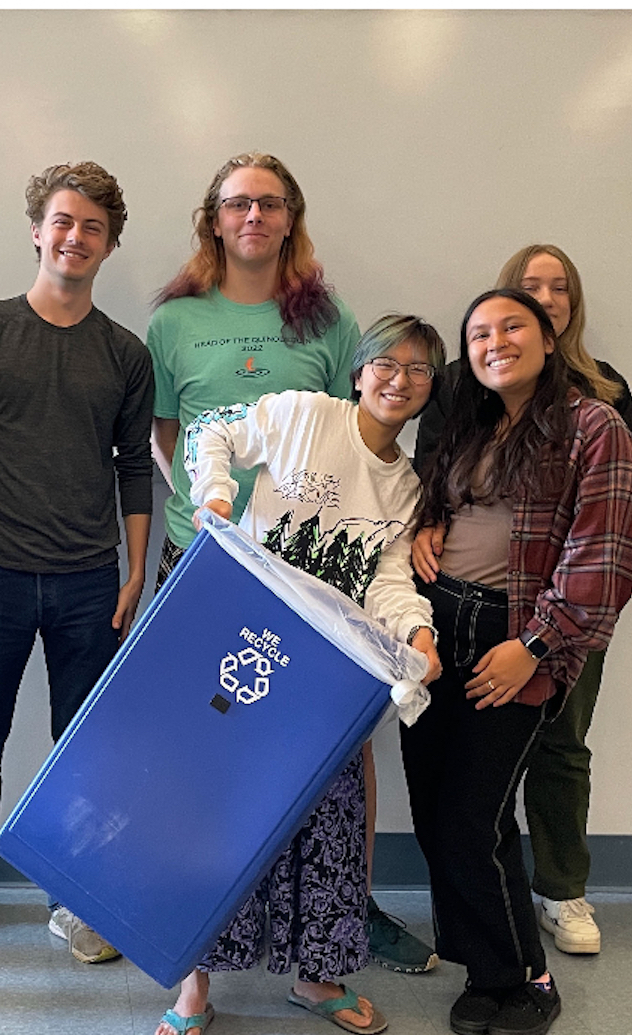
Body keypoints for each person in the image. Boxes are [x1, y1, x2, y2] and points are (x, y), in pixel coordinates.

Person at [144, 153, 430, 975]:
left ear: (291, 217)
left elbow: (365, 431)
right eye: (237, 204)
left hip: (314, 581)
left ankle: (334, 929)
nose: (254, 218)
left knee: (327, 756)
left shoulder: (327, 321)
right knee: (208, 745)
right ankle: (191, 939)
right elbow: (175, 430)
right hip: (206, 557)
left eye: (270, 204)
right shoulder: (174, 321)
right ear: (214, 219)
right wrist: (209, 504)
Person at [149, 314, 447, 1035]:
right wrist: (214, 493)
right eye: (387, 362)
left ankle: (317, 976)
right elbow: (211, 433)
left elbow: (389, 577)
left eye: (418, 370)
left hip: (329, 670)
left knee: (330, 822)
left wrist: (418, 634)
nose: (398, 378)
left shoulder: (407, 485)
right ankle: (194, 983)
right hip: (247, 638)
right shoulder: (302, 414)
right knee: (221, 810)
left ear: (431, 389)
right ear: (359, 370)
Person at [0, 162, 154, 965]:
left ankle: (74, 895)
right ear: (36, 229)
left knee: (82, 747)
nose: (74, 237)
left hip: (91, 580)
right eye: (62, 221)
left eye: (92, 226)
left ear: (109, 243)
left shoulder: (124, 353)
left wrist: (134, 570)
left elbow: (132, 467)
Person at [406, 288, 632, 1035]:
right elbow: (432, 508)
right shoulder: (470, 424)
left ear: (550, 339)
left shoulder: (593, 425)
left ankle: (527, 976)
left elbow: (603, 557)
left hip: (515, 637)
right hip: (439, 629)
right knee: (435, 809)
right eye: (477, 333)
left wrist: (535, 647)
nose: (493, 341)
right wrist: (424, 531)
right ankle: (485, 970)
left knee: (475, 817)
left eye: (512, 327)